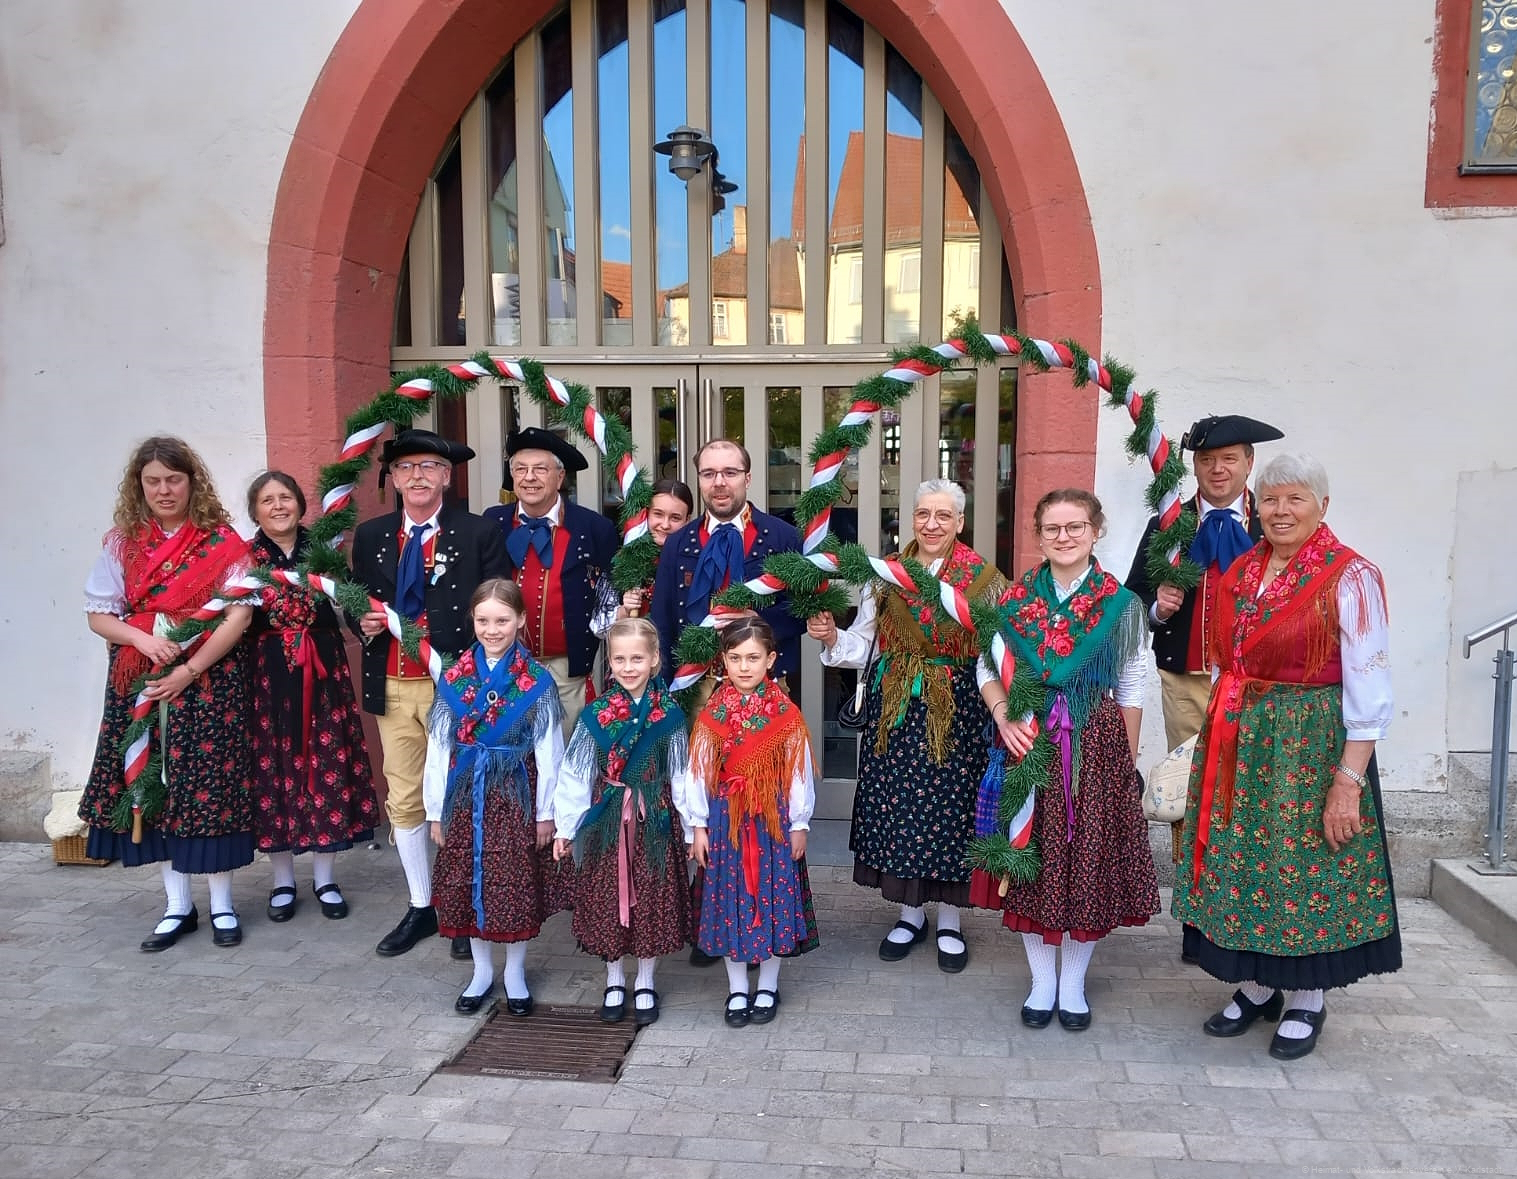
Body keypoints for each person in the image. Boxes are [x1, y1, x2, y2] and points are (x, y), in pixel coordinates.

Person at [1173, 454, 1397, 1061]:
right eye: (1270, 500)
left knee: (1303, 864)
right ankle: (1257, 985)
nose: (1280, 511)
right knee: (1247, 862)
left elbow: (1370, 690)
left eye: (1295, 499)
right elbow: (1225, 660)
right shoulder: (1243, 569)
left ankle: (1306, 998)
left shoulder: (1350, 576)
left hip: (1310, 745)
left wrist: (1348, 781)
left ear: (1323, 506)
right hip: (1243, 740)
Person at [807, 479, 1006, 972]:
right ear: (911, 519)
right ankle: (909, 914)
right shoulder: (885, 575)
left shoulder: (986, 580)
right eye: (923, 514)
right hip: (895, 706)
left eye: (943, 515)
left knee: (952, 810)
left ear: (960, 522)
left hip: (958, 707)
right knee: (901, 809)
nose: (931, 524)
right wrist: (832, 637)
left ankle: (950, 922)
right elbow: (864, 644)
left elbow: (997, 651)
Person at [986, 489, 1159, 1031]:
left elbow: (1131, 687)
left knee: (1086, 861)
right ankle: (1042, 981)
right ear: (1038, 537)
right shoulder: (1013, 603)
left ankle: (1073, 983)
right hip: (1030, 739)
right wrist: (1004, 717)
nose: (1064, 537)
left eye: (1075, 526)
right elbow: (987, 668)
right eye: (1053, 528)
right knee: (1034, 860)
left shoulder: (1121, 607)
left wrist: (1125, 761)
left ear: (1095, 530)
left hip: (1095, 746)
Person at [80, 436, 255, 950]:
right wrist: (142, 640)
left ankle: (222, 906)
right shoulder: (124, 543)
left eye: (174, 479)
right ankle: (178, 906)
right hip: (143, 678)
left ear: (191, 482)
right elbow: (99, 614)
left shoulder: (222, 542)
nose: (164, 490)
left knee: (208, 788)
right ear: (139, 485)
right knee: (153, 784)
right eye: (153, 480)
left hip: (208, 683)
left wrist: (190, 669)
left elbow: (239, 615)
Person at [349, 428, 511, 959]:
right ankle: (422, 904)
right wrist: (361, 623)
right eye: (405, 468)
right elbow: (354, 601)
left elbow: (499, 603)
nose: (416, 476)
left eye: (428, 467)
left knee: (461, 796)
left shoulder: (479, 532)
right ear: (393, 479)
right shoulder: (371, 535)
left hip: (458, 688)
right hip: (393, 684)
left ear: (446, 477)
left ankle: (463, 905)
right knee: (405, 796)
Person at [1125, 414, 1284, 867]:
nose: (1218, 469)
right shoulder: (1169, 525)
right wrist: (1157, 608)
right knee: (1192, 786)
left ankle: (1248, 882)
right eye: (1207, 460)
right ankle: (1194, 887)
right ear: (1194, 467)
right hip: (1187, 681)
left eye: (1229, 459)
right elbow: (1131, 599)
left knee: (1254, 784)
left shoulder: (1272, 524)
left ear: (1249, 462)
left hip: (1259, 686)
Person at [423, 579, 565, 1016]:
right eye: (483, 620)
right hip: (465, 796)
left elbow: (550, 751)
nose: (492, 630)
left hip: (513, 795)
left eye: (502, 620)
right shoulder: (454, 679)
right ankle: (481, 972)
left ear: (520, 620)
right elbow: (438, 749)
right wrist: (435, 811)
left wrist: (546, 813)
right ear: (472, 620)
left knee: (512, 882)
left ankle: (514, 973)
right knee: (469, 879)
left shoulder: (536, 682)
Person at [245, 471, 379, 922]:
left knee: (325, 765)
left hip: (322, 672)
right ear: (255, 511)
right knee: (274, 770)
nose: (278, 506)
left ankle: (325, 878)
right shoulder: (243, 558)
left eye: (285, 497)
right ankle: (283, 881)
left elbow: (351, 603)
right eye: (267, 500)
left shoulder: (323, 553)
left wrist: (365, 622)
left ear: (301, 505)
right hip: (267, 676)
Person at [675, 616, 819, 1028]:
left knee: (773, 901)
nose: (743, 666)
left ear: (770, 660)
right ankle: (737, 988)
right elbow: (697, 773)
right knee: (730, 904)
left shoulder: (785, 714)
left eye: (753, 658)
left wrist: (799, 823)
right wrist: (697, 826)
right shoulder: (712, 715)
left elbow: (799, 772)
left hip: (772, 822)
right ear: (723, 660)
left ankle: (768, 986)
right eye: (735, 657)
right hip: (725, 823)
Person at [554, 618, 690, 1027]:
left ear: (654, 659)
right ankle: (614, 977)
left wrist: (693, 827)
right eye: (620, 659)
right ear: (609, 663)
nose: (629, 667)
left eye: (637, 658)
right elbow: (575, 774)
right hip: (608, 821)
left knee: (650, 900)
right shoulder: (595, 715)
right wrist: (566, 827)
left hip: (654, 820)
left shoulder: (669, 715)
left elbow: (682, 775)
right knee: (607, 898)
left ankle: (646, 979)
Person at [485, 427, 618, 737]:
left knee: (566, 753)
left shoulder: (594, 527)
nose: (529, 477)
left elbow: (611, 594)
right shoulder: (492, 522)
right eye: (521, 469)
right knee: (509, 751)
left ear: (560, 478)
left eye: (540, 469)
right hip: (504, 664)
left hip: (567, 672)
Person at [649, 440, 803, 689]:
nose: (719, 482)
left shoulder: (784, 537)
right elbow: (662, 621)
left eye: (730, 473)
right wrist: (663, 691)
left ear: (747, 479)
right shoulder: (677, 543)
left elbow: (803, 610)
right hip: (693, 686)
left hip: (765, 684)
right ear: (699, 480)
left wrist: (758, 620)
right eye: (708, 474)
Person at [590, 478, 695, 637]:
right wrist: (624, 610)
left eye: (675, 518)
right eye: (658, 514)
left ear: (687, 520)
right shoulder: (625, 559)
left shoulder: (697, 558)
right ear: (646, 513)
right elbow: (597, 626)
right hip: (633, 650)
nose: (665, 525)